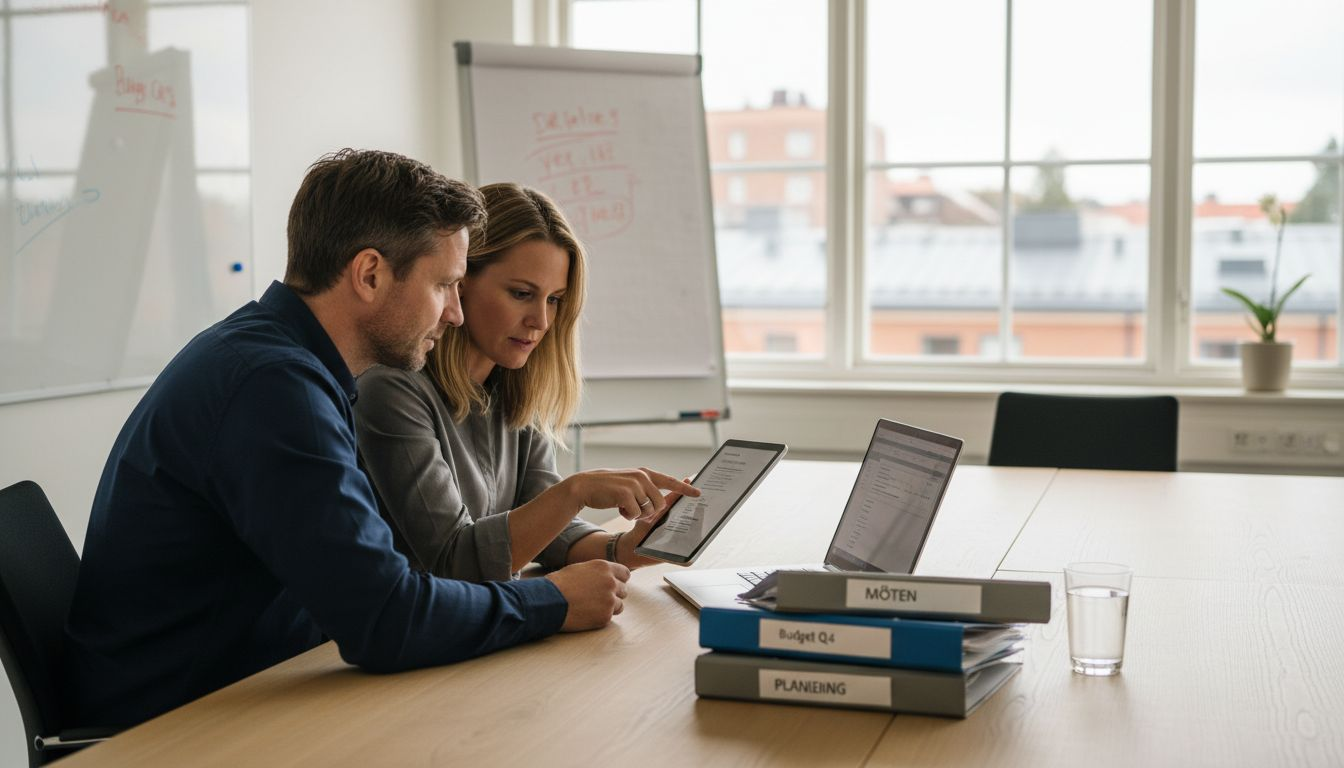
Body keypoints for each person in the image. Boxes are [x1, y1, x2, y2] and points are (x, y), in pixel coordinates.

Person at [62, 150, 682, 730]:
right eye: (443, 286)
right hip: (173, 726)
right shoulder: (277, 390)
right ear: (369, 274)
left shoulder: (283, 363)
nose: (455, 313)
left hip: (249, 684)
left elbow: (376, 594)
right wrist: (549, 603)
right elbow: (386, 618)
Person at [355, 183, 696, 582]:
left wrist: (627, 547)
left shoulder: (511, 388)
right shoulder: (390, 390)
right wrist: (575, 491)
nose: (541, 321)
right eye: (521, 293)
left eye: (553, 299)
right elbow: (456, 562)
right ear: (459, 282)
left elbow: (549, 534)